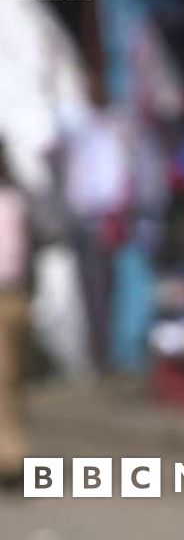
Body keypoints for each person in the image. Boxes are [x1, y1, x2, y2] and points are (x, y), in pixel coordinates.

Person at [0, 142, 30, 484]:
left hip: (10, 295)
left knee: (7, 380)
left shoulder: (16, 200)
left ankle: (11, 458)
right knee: (10, 381)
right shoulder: (18, 200)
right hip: (16, 295)